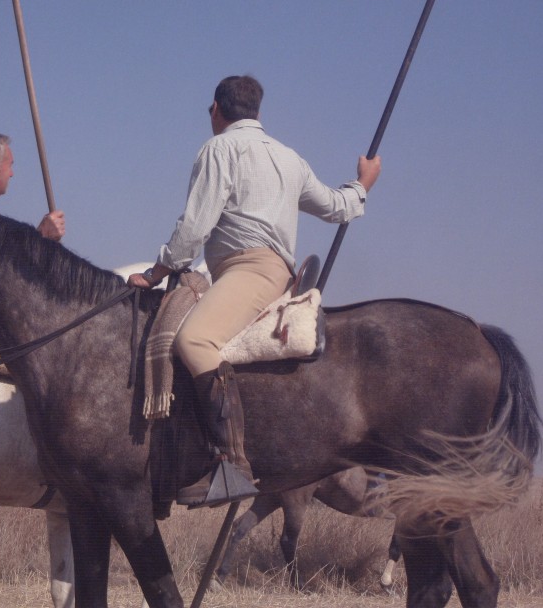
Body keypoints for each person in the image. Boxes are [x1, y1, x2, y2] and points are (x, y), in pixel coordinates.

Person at [127, 75, 381, 507]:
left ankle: (231, 463)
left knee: (194, 340)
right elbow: (337, 207)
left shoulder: (219, 148)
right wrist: (364, 183)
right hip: (250, 270)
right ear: (258, 112)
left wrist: (156, 272)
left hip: (251, 271)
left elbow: (194, 227)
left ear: (216, 110)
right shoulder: (290, 158)